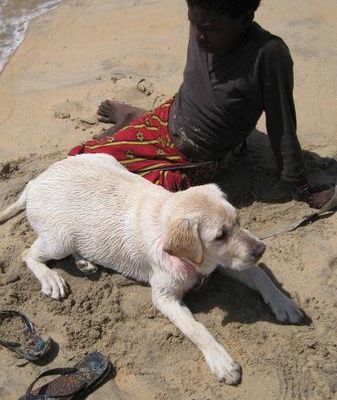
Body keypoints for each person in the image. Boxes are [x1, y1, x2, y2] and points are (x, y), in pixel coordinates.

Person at [69, 0, 334, 208]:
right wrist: (202, 25)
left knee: (118, 191)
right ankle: (134, 117)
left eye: (208, 29)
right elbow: (198, 88)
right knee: (80, 163)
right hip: (170, 117)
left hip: (195, 160)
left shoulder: (268, 56)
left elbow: (282, 124)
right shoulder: (204, 17)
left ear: (245, 19)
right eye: (193, 23)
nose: (198, 35)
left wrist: (299, 184)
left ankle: (132, 118)